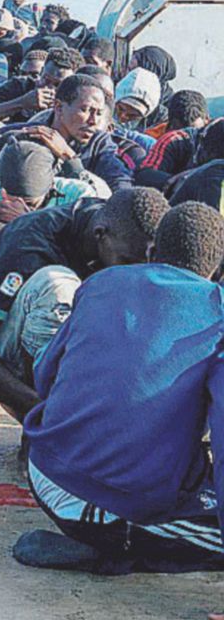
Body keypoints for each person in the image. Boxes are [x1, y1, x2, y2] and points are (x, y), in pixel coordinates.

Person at [21, 203, 224, 574]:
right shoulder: (218, 312)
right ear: (219, 271)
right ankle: (118, 551)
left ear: (152, 252)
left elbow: (45, 374)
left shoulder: (100, 283)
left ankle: (110, 540)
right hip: (107, 506)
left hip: (43, 472)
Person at [0, 187, 168, 422]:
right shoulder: (30, 241)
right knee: (56, 286)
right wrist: (44, 413)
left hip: (54, 350)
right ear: (100, 234)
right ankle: (38, 433)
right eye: (126, 261)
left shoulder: (122, 233)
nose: (133, 272)